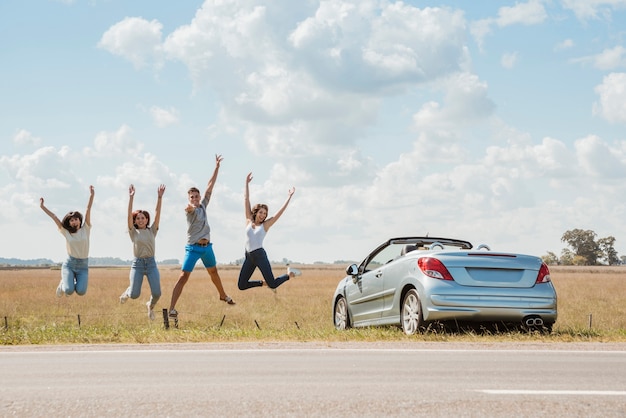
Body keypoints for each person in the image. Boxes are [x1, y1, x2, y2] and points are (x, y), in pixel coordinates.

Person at [168, 154, 235, 320]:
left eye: (197, 196)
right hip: (193, 248)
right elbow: (188, 209)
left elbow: (210, 186)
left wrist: (217, 167)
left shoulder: (203, 205)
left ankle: (222, 295)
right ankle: (171, 308)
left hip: (207, 248)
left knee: (214, 272)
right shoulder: (190, 210)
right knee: (183, 276)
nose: (195, 199)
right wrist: (188, 206)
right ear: (189, 199)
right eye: (192, 197)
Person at [237, 172, 301, 292]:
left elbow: (279, 213)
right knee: (241, 285)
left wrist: (289, 197)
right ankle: (262, 283)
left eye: (265, 213)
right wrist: (246, 183)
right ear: (256, 212)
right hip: (249, 256)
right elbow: (246, 199)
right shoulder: (248, 220)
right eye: (261, 212)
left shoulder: (265, 225)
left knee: (273, 284)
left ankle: (289, 275)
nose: (263, 215)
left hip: (260, 256)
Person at [119, 184, 165, 321]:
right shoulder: (133, 232)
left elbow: (157, 213)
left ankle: (150, 305)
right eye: (138, 218)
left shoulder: (152, 230)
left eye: (143, 218)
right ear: (135, 220)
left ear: (147, 219)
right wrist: (131, 198)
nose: (140, 220)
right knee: (134, 294)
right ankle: (127, 292)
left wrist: (159, 197)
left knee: (157, 293)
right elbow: (128, 215)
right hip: (137, 264)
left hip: (151, 264)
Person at [40, 185, 95, 296]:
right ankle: (63, 284)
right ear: (69, 223)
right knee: (69, 290)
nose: (74, 222)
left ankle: (67, 282)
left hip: (83, 266)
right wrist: (42, 207)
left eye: (76, 219)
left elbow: (88, 210)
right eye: (71, 220)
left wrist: (91, 195)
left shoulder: (86, 228)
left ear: (80, 220)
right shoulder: (66, 232)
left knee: (81, 292)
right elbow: (55, 217)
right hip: (70, 264)